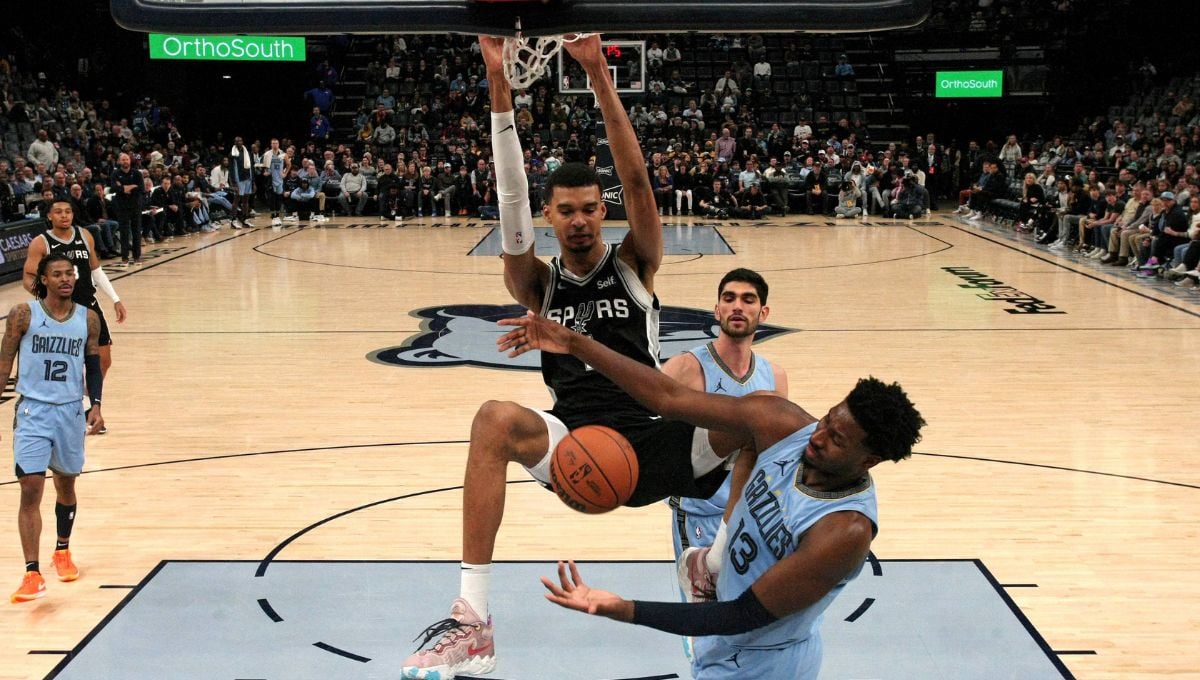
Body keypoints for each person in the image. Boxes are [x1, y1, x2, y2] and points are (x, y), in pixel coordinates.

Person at [402, 35, 736, 680]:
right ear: (549, 216)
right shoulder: (536, 283)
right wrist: (498, 83)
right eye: (565, 212)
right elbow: (509, 199)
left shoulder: (635, 262)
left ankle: (711, 563)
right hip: (576, 444)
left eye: (589, 209)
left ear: (601, 211)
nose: (579, 221)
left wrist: (597, 74)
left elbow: (637, 180)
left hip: (652, 438)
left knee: (754, 418)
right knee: (494, 418)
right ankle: (473, 622)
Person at [496, 312, 924, 680]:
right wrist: (574, 343)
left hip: (765, 661)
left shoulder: (843, 531)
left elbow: (743, 614)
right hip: (723, 638)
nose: (818, 436)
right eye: (828, 420)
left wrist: (622, 608)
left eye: (837, 439)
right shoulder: (783, 425)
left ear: (869, 460)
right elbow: (669, 398)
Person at [661, 268, 788, 660]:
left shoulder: (774, 376)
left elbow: (778, 453)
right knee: (707, 624)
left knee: (751, 618)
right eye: (729, 298)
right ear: (716, 310)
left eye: (748, 299)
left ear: (763, 312)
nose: (737, 306)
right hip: (700, 511)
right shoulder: (685, 368)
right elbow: (654, 437)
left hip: (751, 513)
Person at [3, 253, 106, 603]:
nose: (65, 279)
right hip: (33, 411)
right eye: (57, 274)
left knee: (65, 484)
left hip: (69, 411)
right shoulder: (23, 314)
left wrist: (96, 404)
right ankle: (32, 573)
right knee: (31, 487)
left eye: (70, 273)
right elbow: (4, 362)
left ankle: (62, 549)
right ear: (43, 280)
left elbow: (93, 364)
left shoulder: (88, 318)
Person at [22, 199, 127, 413]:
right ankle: (74, 408)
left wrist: (115, 299)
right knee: (68, 363)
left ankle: (86, 404)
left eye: (68, 211)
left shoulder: (85, 235)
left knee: (103, 360)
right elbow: (28, 277)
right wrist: (47, 298)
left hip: (88, 305)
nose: (64, 215)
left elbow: (96, 270)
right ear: (49, 216)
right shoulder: (41, 243)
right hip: (61, 310)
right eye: (59, 212)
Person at [109, 152, 144, 265]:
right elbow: (113, 188)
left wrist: (123, 187)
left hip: (135, 206)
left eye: (127, 159)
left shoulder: (137, 173)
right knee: (124, 232)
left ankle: (137, 256)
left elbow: (141, 189)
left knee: (136, 231)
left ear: (130, 160)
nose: (125, 161)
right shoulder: (115, 173)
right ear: (119, 161)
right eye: (123, 159)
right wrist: (130, 186)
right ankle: (125, 257)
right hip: (122, 207)